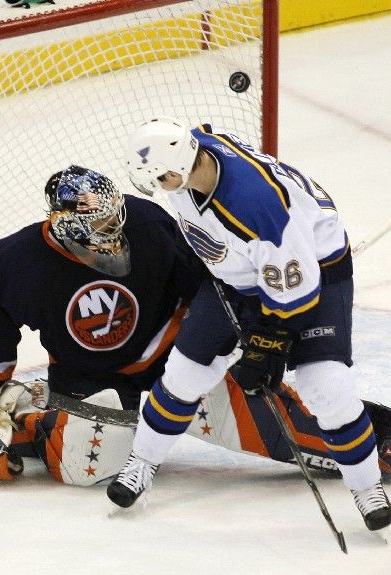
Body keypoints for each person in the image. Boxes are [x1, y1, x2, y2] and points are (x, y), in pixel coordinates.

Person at [0, 164, 390, 489]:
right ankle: (22, 416)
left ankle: (380, 436)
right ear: (67, 226)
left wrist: (251, 337)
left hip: (176, 358)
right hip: (90, 385)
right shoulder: (16, 261)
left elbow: (212, 289)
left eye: (114, 220)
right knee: (81, 461)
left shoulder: (145, 221)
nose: (115, 234)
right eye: (101, 227)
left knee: (286, 428)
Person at [108, 118, 391, 532]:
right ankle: (141, 463)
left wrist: (268, 343)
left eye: (160, 178)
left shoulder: (259, 207)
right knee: (183, 374)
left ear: (177, 166)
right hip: (240, 278)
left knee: (326, 387)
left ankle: (367, 488)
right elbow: (202, 131)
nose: (160, 187)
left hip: (316, 275)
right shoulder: (193, 156)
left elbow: (297, 291)